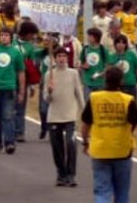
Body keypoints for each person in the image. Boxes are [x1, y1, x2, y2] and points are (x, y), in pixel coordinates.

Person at [81, 67, 137, 203]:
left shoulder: (94, 98)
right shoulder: (127, 100)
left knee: (102, 190)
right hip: (122, 151)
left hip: (100, 151)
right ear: (121, 81)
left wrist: (85, 142)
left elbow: (85, 124)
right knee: (122, 192)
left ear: (105, 79)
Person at [44, 47, 84, 187]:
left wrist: (83, 111)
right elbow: (46, 99)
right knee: (57, 147)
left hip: (70, 115)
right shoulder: (49, 74)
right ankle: (61, 173)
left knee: (71, 144)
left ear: (67, 58)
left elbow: (79, 92)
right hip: (54, 116)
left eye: (64, 56)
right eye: (59, 56)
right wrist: (49, 91)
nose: (61, 59)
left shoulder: (73, 73)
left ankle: (71, 175)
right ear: (54, 58)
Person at [0, 27, 25, 154]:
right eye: (1, 35)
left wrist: (21, 91)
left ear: (11, 37)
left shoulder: (16, 52)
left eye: (6, 35)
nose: (3, 37)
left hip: (9, 88)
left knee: (7, 117)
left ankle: (9, 143)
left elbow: (21, 72)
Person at [106, 34, 137, 99]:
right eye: (118, 42)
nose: (121, 45)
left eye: (123, 43)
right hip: (118, 87)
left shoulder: (131, 54)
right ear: (115, 44)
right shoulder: (111, 57)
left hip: (131, 85)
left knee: (132, 107)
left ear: (126, 44)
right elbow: (108, 73)